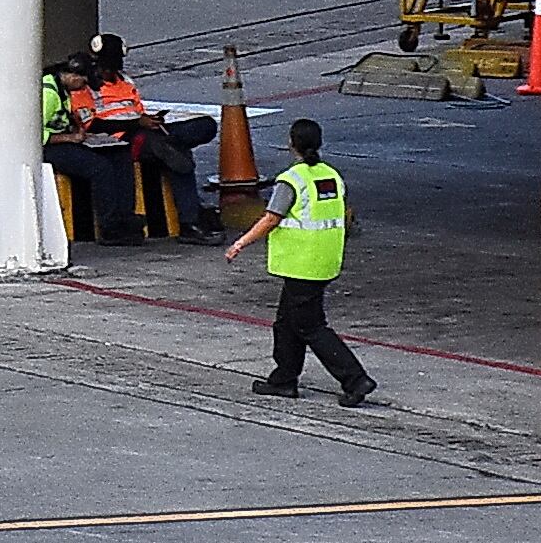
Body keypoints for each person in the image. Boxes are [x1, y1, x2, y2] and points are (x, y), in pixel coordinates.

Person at [224, 116, 376, 408]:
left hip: (301, 263)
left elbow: (271, 219)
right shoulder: (331, 176)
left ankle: (355, 379)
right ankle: (284, 379)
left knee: (312, 326)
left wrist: (240, 243)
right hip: (324, 259)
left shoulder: (292, 180)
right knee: (285, 322)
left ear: (290, 144)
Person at [76, 36, 222, 237]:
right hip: (119, 138)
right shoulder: (84, 84)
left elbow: (137, 110)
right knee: (176, 154)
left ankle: (169, 145)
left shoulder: (125, 81)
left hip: (145, 129)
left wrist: (149, 120)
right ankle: (190, 221)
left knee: (203, 125)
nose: (108, 71)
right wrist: (137, 123)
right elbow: (91, 124)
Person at [41, 61, 144, 243]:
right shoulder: (48, 93)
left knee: (119, 154)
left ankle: (125, 216)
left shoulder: (63, 89)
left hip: (65, 139)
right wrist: (69, 138)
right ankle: (109, 227)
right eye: (83, 83)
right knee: (100, 168)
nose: (84, 88)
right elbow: (33, 134)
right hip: (48, 147)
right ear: (73, 77)